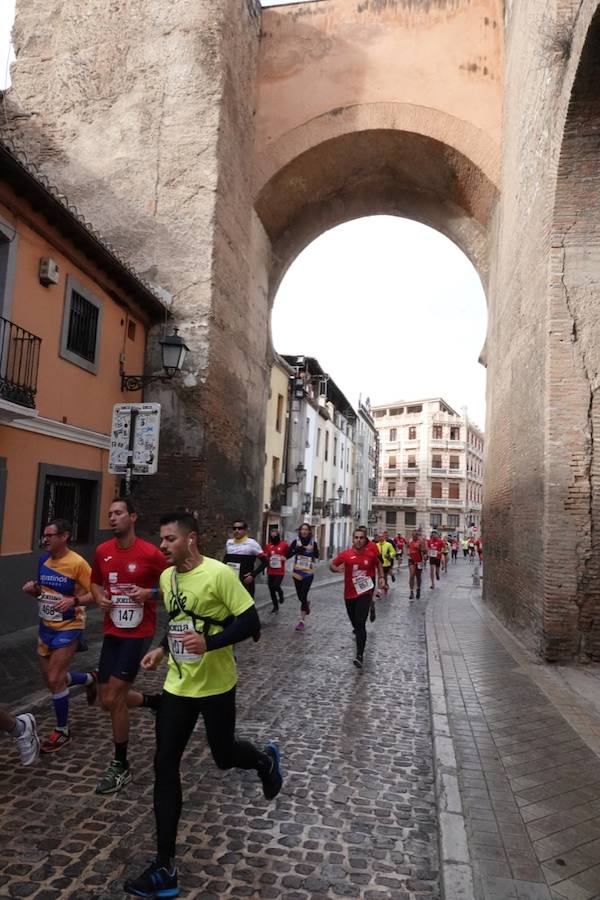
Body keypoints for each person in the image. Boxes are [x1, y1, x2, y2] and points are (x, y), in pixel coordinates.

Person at [123, 511, 282, 899]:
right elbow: (177, 618)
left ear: (190, 539)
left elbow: (249, 622)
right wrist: (161, 649)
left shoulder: (219, 574)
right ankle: (165, 867)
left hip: (216, 684)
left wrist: (209, 644)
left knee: (224, 756)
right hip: (178, 684)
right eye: (161, 540)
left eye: (169, 540)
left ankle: (263, 761)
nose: (163, 546)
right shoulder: (167, 577)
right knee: (164, 764)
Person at [91, 498, 167, 795]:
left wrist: (149, 593)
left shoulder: (150, 553)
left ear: (132, 517)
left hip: (139, 633)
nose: (112, 518)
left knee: (114, 697)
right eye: (109, 513)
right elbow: (94, 582)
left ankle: (121, 765)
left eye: (118, 513)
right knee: (104, 700)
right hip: (112, 631)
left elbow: (173, 587)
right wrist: (98, 597)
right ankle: (153, 702)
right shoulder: (102, 551)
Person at [22, 518, 96, 753]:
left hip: (69, 626)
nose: (44, 539)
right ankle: (89, 680)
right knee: (52, 681)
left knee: (55, 679)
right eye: (44, 535)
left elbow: (97, 594)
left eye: (50, 535)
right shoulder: (43, 560)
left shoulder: (78, 563)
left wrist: (74, 600)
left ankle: (62, 731)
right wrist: (34, 591)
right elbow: (45, 595)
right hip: (46, 626)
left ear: (64, 537)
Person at [330, 530, 386, 669]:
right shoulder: (346, 554)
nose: (359, 540)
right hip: (349, 594)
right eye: (356, 537)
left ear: (365, 539)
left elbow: (379, 564)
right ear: (353, 539)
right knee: (355, 623)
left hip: (364, 592)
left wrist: (381, 578)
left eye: (361, 538)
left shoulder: (371, 553)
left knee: (360, 623)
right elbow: (332, 565)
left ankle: (359, 655)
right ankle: (359, 642)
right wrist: (336, 570)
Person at [288, 523, 319, 631]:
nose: (304, 531)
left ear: (309, 531)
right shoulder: (296, 542)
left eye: (306, 529)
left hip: (308, 573)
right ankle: (306, 604)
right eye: (302, 529)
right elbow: (288, 555)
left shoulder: (313, 543)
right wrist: (297, 550)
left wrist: (312, 551)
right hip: (297, 573)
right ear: (300, 531)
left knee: (304, 594)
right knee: (300, 597)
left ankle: (301, 621)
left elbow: (317, 555)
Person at [223, 520, 267, 598]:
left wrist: (253, 575)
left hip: (245, 583)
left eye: (240, 528)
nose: (237, 530)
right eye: (234, 528)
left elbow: (265, 562)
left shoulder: (252, 543)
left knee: (247, 609)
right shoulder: (229, 543)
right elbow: (225, 560)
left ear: (245, 530)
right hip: (231, 581)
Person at [262, 525, 289, 613]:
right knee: (271, 589)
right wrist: (266, 556)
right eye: (272, 535)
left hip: (280, 571)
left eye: (275, 534)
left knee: (276, 586)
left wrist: (285, 557)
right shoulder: (268, 546)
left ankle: (280, 593)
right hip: (270, 570)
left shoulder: (284, 544)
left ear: (278, 535)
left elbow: (289, 553)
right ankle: (275, 606)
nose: (273, 536)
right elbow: (266, 555)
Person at [407, 530, 428, 600]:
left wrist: (425, 555)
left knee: (418, 576)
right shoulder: (410, 541)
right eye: (412, 535)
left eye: (415, 535)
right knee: (412, 575)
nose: (413, 536)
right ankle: (411, 592)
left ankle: (418, 589)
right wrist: (408, 552)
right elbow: (407, 547)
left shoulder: (421, 541)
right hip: (411, 560)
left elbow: (425, 551)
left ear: (417, 535)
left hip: (419, 561)